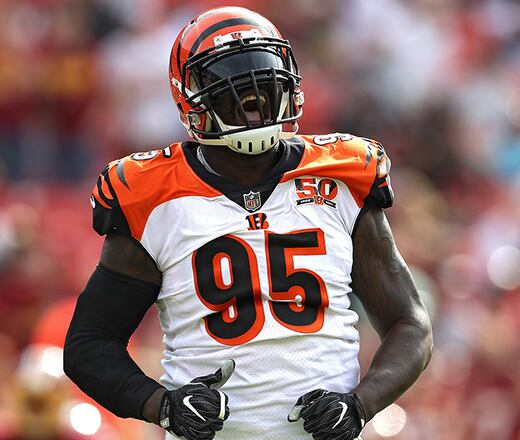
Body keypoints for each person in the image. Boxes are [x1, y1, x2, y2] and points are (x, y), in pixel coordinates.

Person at [63, 6, 433, 440]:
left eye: (263, 83)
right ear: (192, 97)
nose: (253, 100)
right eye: (232, 89)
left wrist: (360, 404)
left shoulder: (341, 177)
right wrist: (162, 404)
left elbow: (411, 324)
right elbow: (88, 345)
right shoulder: (154, 196)